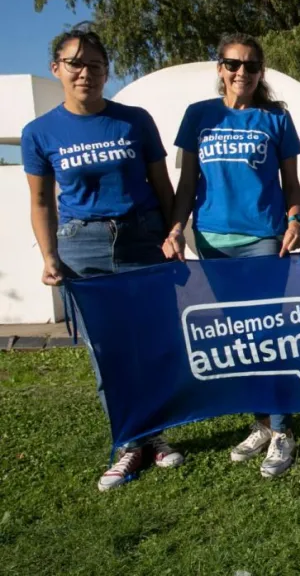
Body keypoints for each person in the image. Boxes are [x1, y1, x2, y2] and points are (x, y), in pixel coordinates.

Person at [21, 25, 184, 491]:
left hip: (142, 238)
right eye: (75, 64)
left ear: (106, 71)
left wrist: (173, 233)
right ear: (57, 69)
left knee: (153, 345)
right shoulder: (40, 132)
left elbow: (162, 186)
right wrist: (50, 254)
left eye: (94, 65)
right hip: (82, 247)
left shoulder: (135, 120)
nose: (85, 73)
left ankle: (155, 438)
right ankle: (131, 443)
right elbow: (41, 202)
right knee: (105, 352)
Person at [165, 33, 300, 477]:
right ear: (220, 67)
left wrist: (295, 220)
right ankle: (261, 423)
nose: (241, 72)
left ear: (261, 72)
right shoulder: (198, 116)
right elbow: (188, 183)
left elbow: (291, 185)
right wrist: (175, 226)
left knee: (268, 332)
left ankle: (283, 431)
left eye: (250, 65)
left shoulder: (275, 119)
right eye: (232, 63)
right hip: (210, 239)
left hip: (264, 238)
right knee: (239, 337)